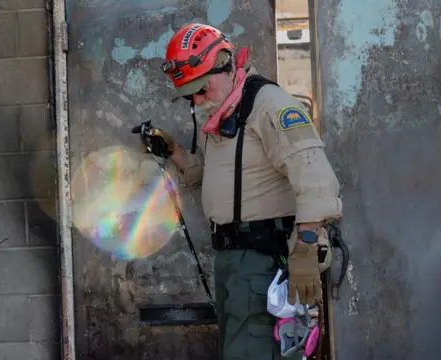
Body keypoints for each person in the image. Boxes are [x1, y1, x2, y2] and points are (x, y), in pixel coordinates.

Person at [134, 23, 343, 359]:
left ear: (227, 63)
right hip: (232, 261)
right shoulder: (221, 113)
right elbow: (214, 176)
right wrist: (173, 151)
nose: (198, 100)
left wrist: (305, 246)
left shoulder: (269, 104)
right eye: (190, 95)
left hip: (261, 259)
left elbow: (316, 176)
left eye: (203, 89)